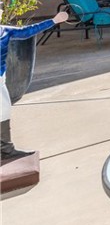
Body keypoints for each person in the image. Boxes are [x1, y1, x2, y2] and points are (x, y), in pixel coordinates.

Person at [1, 11, 68, 160]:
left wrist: (53, 21)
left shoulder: (5, 31)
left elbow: (26, 31)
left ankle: (5, 149)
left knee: (4, 111)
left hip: (1, 79)